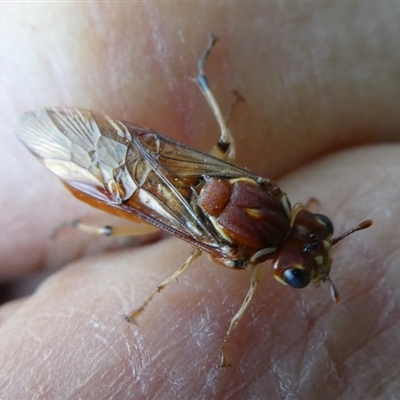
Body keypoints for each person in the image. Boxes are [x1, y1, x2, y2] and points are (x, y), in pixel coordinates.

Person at [0, 3, 399, 398]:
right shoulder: (235, 248)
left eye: (298, 272)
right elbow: (216, 275)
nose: (315, 246)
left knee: (222, 148)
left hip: (151, 160)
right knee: (117, 224)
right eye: (321, 228)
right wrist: (171, 301)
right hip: (141, 190)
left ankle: (202, 82)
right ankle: (88, 223)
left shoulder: (273, 196)